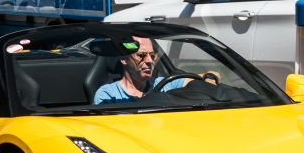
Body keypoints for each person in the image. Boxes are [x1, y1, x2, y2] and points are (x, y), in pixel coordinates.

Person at [92, 36, 220, 105]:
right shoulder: (108, 94)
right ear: (124, 60)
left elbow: (214, 74)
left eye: (152, 55)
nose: (149, 61)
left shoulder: (164, 84)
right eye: (142, 55)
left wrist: (208, 84)